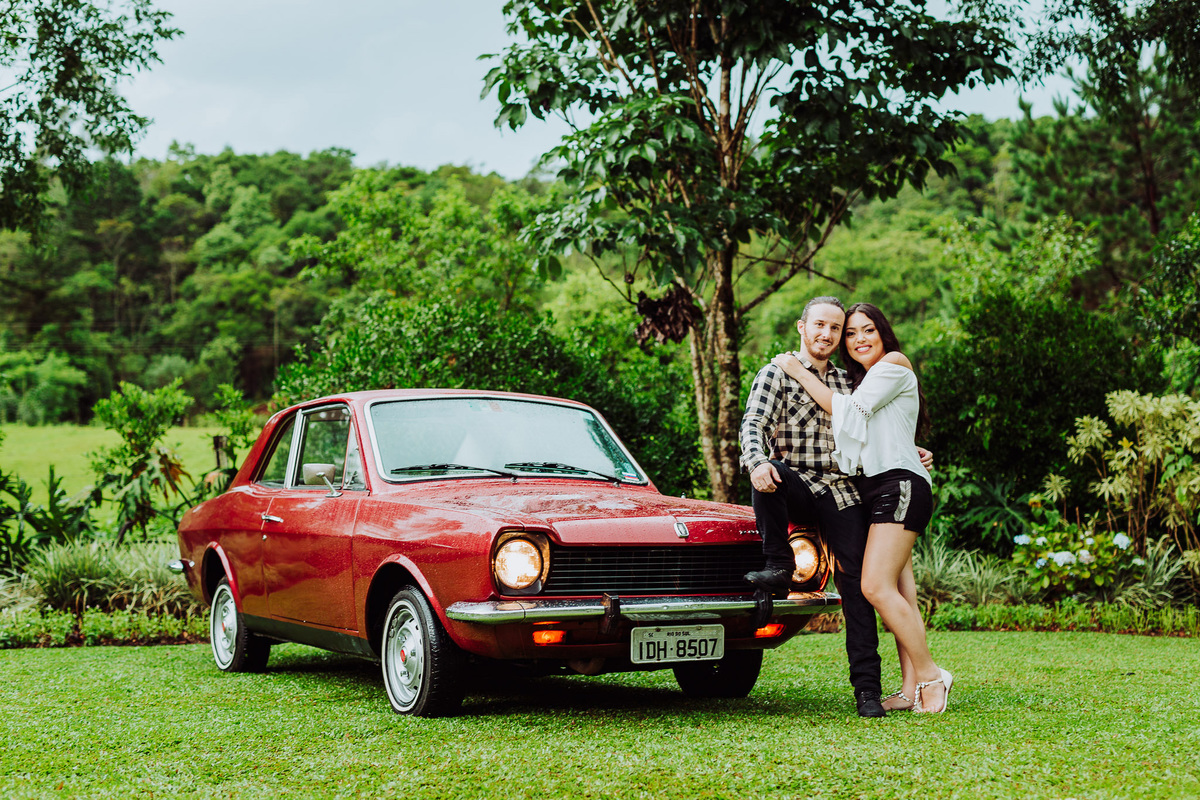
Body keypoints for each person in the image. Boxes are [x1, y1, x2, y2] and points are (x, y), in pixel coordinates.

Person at [740, 296, 931, 718]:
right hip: (796, 480)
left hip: (844, 490)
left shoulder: (850, 383)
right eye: (820, 326)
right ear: (801, 327)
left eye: (835, 328)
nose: (827, 334)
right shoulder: (777, 371)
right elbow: (753, 424)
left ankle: (867, 691)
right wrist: (755, 462)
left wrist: (908, 449)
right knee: (768, 471)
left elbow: (870, 425)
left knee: (859, 586)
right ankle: (779, 565)